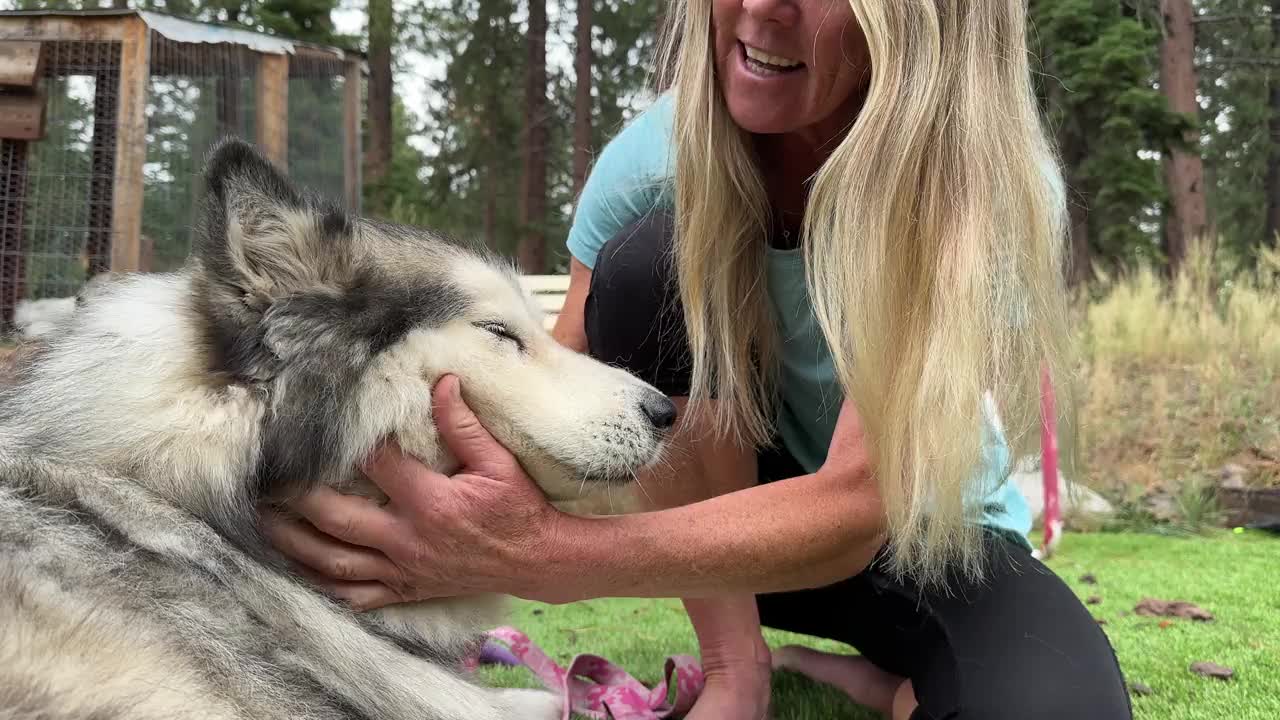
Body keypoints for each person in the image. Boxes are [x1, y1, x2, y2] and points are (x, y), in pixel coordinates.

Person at [262, 0, 1134, 718]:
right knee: (648, 264)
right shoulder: (651, 159)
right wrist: (400, 516)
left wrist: (533, 556)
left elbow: (861, 501)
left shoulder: (975, 191)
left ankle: (865, 676)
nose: (759, 8)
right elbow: (552, 391)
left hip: (922, 538)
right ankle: (736, 666)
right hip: (715, 521)